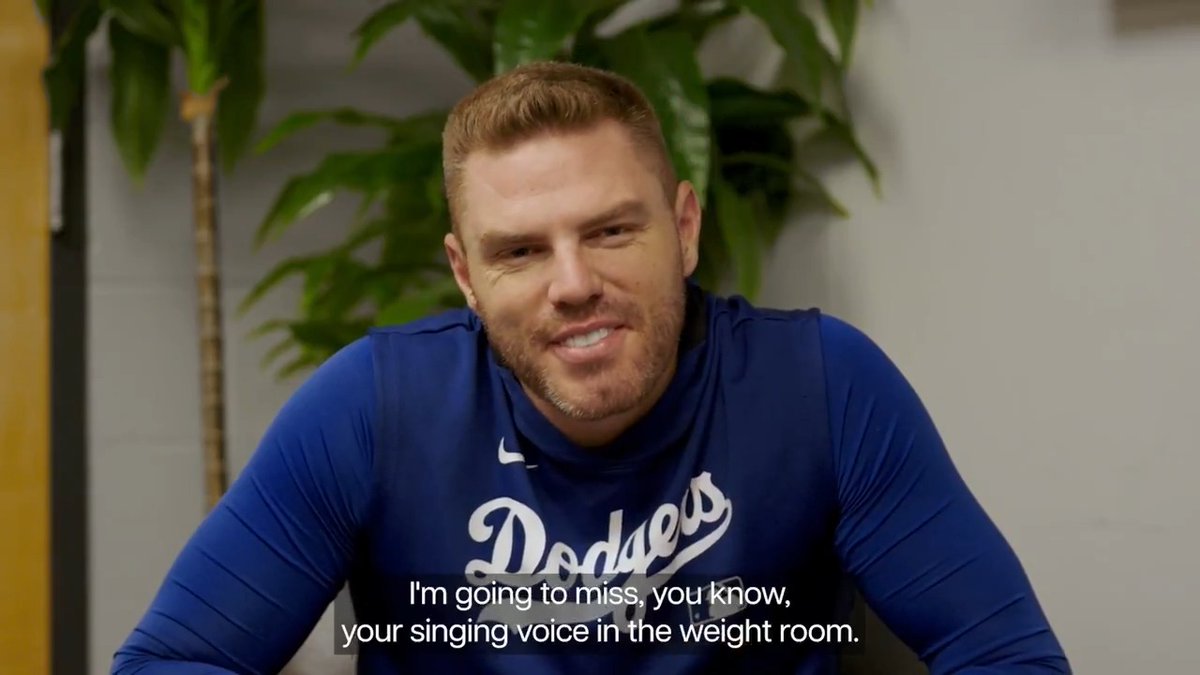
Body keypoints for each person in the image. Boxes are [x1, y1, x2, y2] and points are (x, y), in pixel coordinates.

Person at [112, 61, 1070, 674]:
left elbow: (1007, 657)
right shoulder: (372, 409)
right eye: (520, 251)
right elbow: (173, 661)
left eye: (611, 231)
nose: (574, 285)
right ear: (466, 275)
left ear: (684, 229)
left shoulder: (823, 386)